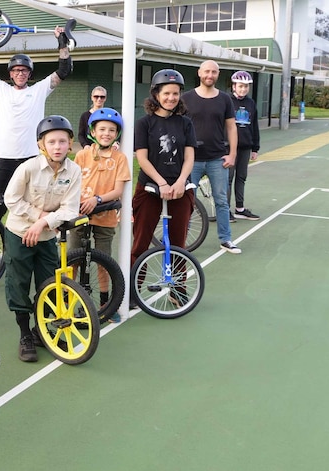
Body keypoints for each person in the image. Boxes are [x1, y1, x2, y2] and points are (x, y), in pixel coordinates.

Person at [0, 20, 76, 220]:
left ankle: (28, 238)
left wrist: (62, 43)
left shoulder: (39, 90)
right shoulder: (1, 89)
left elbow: (64, 70)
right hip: (5, 155)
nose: (20, 73)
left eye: (24, 70)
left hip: (31, 156)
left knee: (31, 202)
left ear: (29, 73)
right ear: (11, 74)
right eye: (16, 70)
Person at [3, 115, 82, 362]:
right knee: (18, 283)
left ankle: (41, 329)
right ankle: (25, 333)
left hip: (47, 236)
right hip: (19, 233)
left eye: (62, 141)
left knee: (49, 284)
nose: (57, 147)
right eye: (51, 142)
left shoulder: (75, 171)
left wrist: (42, 223)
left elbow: (70, 209)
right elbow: (11, 199)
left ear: (70, 144)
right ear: (41, 145)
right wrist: (37, 216)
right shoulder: (28, 168)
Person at [131, 69, 197, 270]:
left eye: (175, 93)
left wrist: (180, 182)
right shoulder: (144, 123)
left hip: (179, 188)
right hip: (150, 187)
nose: (171, 98)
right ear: (156, 95)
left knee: (179, 243)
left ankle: (178, 290)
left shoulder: (185, 123)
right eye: (166, 93)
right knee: (141, 242)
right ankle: (134, 290)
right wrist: (161, 183)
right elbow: (142, 158)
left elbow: (189, 156)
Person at [70, 107, 131, 322]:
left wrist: (96, 200)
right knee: (73, 260)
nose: (106, 133)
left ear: (117, 134)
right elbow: (72, 184)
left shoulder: (120, 158)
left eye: (112, 130)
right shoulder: (82, 155)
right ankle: (69, 301)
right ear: (93, 132)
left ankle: (106, 304)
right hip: (80, 215)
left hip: (104, 215)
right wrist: (78, 203)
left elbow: (117, 191)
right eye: (102, 129)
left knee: (104, 261)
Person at [182, 60, 241, 254]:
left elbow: (231, 127)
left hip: (217, 158)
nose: (210, 75)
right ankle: (182, 241)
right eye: (207, 71)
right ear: (199, 73)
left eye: (214, 72)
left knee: (221, 201)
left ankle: (226, 239)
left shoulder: (224, 99)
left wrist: (232, 154)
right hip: (192, 160)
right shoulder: (186, 98)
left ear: (218, 74)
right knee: (188, 201)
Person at [229, 70, 261, 221]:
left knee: (241, 177)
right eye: (240, 86)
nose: (243, 89)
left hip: (245, 147)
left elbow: (254, 126)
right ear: (234, 86)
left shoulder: (251, 103)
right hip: (228, 148)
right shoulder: (227, 101)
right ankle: (224, 210)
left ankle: (239, 209)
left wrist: (255, 148)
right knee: (227, 178)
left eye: (246, 87)